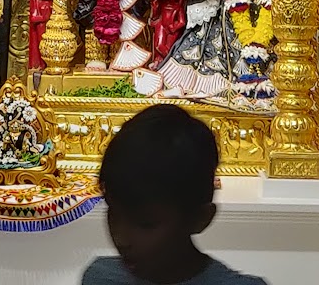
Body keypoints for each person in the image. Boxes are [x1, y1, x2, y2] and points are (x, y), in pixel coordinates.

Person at [81, 103, 267, 285]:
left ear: (200, 218)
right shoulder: (100, 278)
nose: (122, 239)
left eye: (145, 224)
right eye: (114, 214)